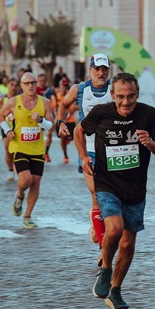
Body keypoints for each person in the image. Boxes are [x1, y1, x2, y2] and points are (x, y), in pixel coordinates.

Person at [74, 72, 155, 309]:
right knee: (114, 229)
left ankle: (115, 290)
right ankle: (105, 270)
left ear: (137, 95)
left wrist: (150, 143)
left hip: (136, 189)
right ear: (113, 95)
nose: (126, 102)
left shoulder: (148, 114)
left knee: (127, 244)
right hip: (107, 183)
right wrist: (84, 156)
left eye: (131, 97)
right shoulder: (101, 113)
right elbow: (78, 131)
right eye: (121, 97)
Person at [57, 53, 112, 261]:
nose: (101, 73)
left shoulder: (114, 91)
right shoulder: (79, 90)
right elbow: (63, 105)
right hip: (88, 149)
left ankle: (96, 224)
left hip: (110, 150)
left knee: (109, 198)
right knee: (97, 194)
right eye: (97, 69)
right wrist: (60, 123)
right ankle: (102, 249)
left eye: (104, 69)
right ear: (90, 70)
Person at [0, 72, 54, 229]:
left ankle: (27, 216)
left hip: (37, 149)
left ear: (37, 85)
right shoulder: (14, 102)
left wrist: (41, 120)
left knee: (35, 183)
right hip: (19, 147)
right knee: (25, 180)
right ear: (21, 86)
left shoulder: (45, 102)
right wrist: (7, 130)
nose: (30, 86)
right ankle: (19, 195)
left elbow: (51, 125)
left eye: (33, 83)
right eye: (27, 83)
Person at [0, 78, 19, 181]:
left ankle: (18, 169)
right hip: (6, 128)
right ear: (7, 86)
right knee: (8, 149)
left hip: (18, 127)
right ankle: (10, 171)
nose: (13, 87)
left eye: (15, 85)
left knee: (18, 151)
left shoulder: (20, 99)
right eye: (11, 85)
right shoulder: (2, 100)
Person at [36, 73, 57, 162]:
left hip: (48, 114)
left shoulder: (49, 90)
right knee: (37, 133)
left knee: (49, 134)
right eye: (40, 81)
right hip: (38, 115)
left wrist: (55, 114)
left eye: (43, 81)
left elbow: (55, 102)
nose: (42, 83)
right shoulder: (35, 90)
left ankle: (46, 152)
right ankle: (37, 152)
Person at [56, 78, 77, 164]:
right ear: (60, 86)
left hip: (70, 120)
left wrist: (73, 109)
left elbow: (76, 106)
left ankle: (69, 139)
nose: (64, 88)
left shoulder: (71, 95)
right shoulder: (56, 96)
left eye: (65, 86)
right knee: (62, 138)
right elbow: (54, 106)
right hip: (61, 120)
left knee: (75, 137)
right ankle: (65, 155)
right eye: (62, 86)